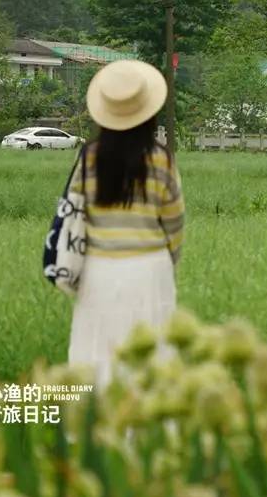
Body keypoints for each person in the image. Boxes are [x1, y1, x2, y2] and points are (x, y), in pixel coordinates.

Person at [65, 59, 184, 391]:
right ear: (148, 113)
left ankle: (93, 433)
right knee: (153, 359)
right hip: (150, 269)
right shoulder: (161, 159)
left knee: (96, 353)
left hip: (99, 269)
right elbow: (174, 222)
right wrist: (169, 263)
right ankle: (149, 435)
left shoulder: (88, 158)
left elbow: (75, 213)